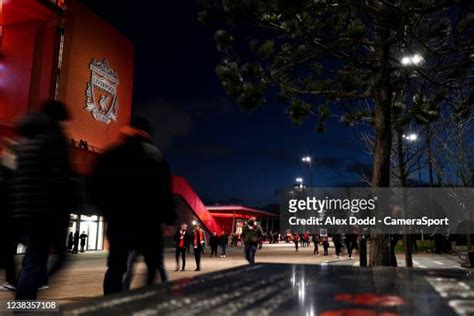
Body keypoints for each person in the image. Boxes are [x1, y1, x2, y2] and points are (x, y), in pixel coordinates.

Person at [89, 117, 176, 295]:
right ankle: (145, 301)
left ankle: (111, 304)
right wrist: (168, 218)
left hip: (119, 222)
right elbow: (164, 191)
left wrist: (107, 211)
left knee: (116, 267)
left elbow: (93, 185)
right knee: (152, 264)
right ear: (146, 133)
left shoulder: (113, 153)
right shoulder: (155, 156)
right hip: (148, 222)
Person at [8, 100, 75, 299]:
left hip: (23, 210)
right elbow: (60, 178)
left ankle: (25, 294)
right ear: (58, 119)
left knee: (33, 259)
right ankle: (24, 301)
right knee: (49, 259)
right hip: (45, 210)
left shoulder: (25, 139)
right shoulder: (54, 139)